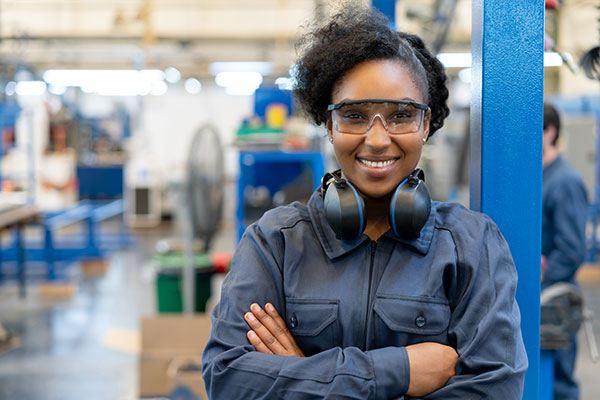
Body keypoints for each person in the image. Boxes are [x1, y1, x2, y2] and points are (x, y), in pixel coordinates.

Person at [202, 7, 527, 399]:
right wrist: (400, 371)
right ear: (328, 124)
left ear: (425, 125)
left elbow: (494, 390)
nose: (376, 139)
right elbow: (229, 380)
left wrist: (301, 372)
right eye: (354, 115)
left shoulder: (471, 245)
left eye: (401, 115)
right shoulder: (275, 243)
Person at [541, 103, 589, 400]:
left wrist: (543, 273)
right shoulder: (540, 176)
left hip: (554, 300)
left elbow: (572, 250)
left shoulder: (565, 181)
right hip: (541, 292)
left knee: (558, 385)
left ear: (550, 132)